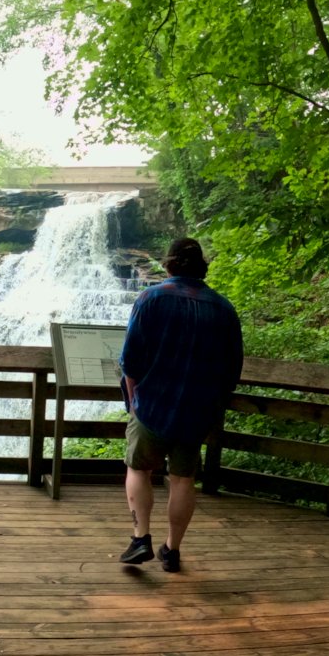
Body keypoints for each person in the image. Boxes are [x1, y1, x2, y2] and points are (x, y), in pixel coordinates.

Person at [118, 237, 243, 571]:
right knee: (183, 479)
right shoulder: (224, 308)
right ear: (202, 267)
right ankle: (172, 550)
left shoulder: (151, 298)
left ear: (168, 264)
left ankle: (140, 537)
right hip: (196, 411)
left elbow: (130, 362)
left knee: (138, 468)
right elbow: (231, 370)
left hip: (152, 405)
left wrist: (133, 402)